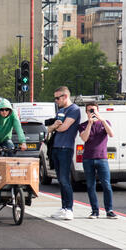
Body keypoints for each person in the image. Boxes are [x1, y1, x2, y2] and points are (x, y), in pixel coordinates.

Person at [79, 102, 118, 219]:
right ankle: (95, 211)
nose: (92, 112)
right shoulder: (83, 125)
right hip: (88, 158)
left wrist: (102, 120)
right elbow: (84, 138)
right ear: (86, 112)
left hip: (102, 158)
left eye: (94, 110)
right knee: (90, 185)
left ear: (98, 110)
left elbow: (111, 134)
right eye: (90, 110)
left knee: (106, 185)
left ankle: (109, 210)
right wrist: (90, 124)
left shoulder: (104, 123)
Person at [47, 86, 81, 220]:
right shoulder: (61, 110)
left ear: (65, 96)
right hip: (55, 147)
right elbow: (49, 129)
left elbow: (63, 127)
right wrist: (55, 126)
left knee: (65, 179)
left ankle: (69, 209)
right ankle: (63, 207)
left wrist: (55, 126)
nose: (56, 101)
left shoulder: (74, 109)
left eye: (57, 98)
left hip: (66, 148)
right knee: (60, 180)